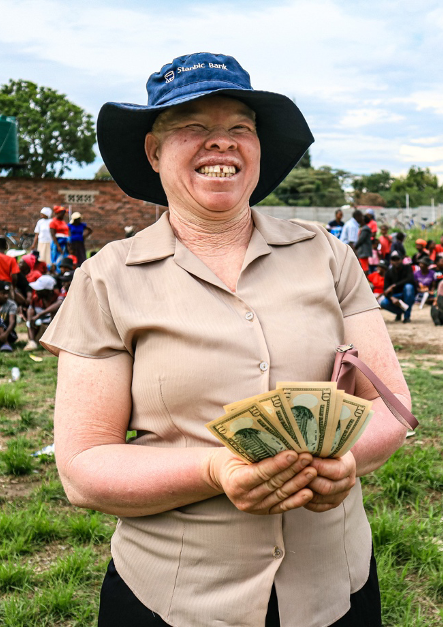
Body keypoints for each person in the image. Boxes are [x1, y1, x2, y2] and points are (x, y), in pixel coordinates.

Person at [39, 53, 408, 627]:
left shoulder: (328, 256)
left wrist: (347, 461)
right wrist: (217, 470)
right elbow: (83, 467)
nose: (223, 144)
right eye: (194, 127)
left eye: (240, 127)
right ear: (154, 152)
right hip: (176, 600)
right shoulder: (107, 279)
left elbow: (391, 405)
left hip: (336, 590)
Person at [24, 275, 62, 351]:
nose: (36, 291)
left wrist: (39, 315)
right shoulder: (36, 298)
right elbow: (30, 310)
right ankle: (31, 341)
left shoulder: (58, 296)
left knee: (54, 312)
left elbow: (59, 303)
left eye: (39, 289)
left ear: (48, 291)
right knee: (30, 312)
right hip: (40, 323)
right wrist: (30, 319)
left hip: (55, 326)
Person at [380, 251, 416, 322]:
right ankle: (399, 312)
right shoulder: (388, 272)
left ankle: (406, 316)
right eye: (394, 259)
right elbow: (386, 290)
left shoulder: (407, 268)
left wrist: (394, 285)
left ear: (402, 259)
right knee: (383, 302)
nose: (396, 261)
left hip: (406, 294)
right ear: (391, 261)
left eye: (397, 259)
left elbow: (410, 279)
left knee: (408, 287)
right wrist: (392, 298)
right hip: (395, 296)